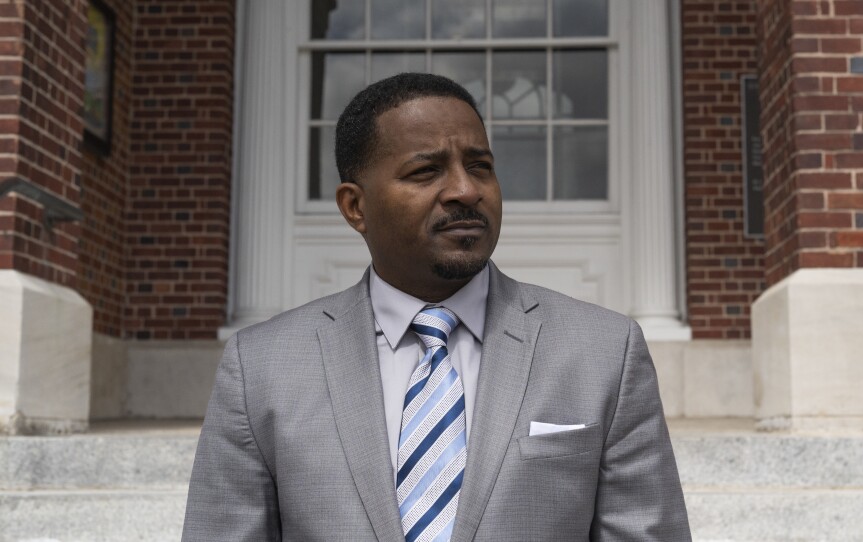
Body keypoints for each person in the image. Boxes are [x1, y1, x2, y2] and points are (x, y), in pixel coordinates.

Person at [182, 73, 690, 541]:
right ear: (355, 206)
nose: (466, 190)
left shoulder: (604, 352)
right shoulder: (263, 366)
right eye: (426, 171)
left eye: (480, 166)